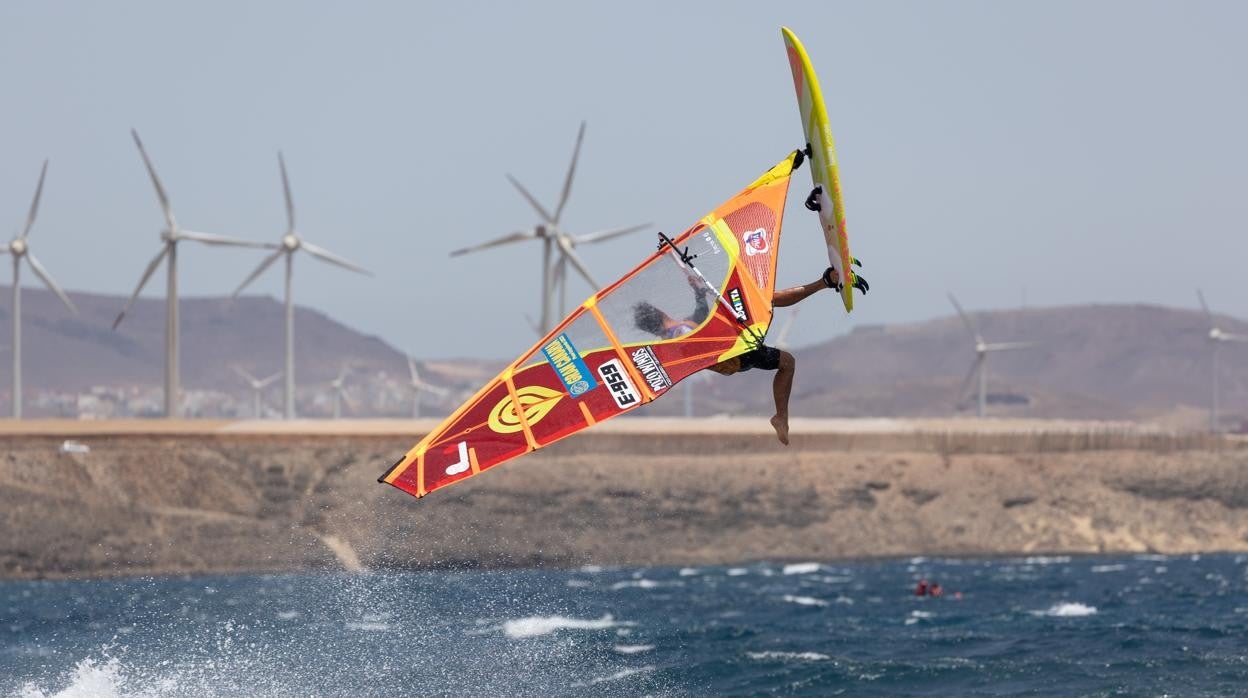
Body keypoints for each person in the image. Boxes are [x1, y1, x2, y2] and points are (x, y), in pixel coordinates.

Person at [633, 266, 867, 445]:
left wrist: (698, 292)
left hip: (734, 349)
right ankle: (781, 417)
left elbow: (701, 315)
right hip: (737, 352)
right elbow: (703, 337)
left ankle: (824, 282)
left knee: (766, 300)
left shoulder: (672, 335)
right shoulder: (680, 332)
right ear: (658, 311)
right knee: (786, 357)